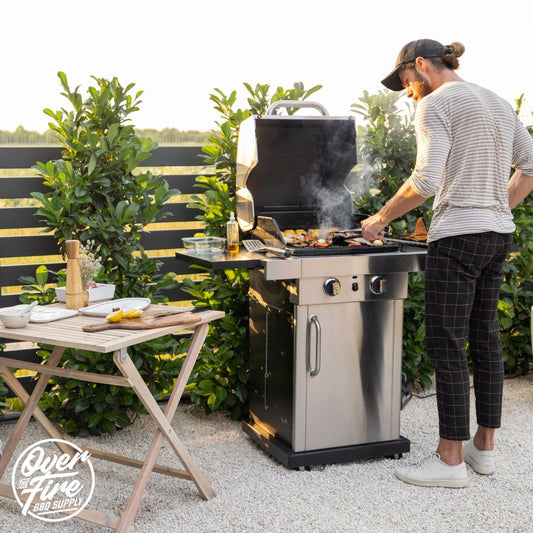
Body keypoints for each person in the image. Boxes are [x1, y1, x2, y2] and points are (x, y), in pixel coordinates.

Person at [361, 38, 533, 488]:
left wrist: (379, 219)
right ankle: (484, 448)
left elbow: (426, 180)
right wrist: (500, 207)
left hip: (457, 238)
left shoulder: (435, 104)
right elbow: (531, 164)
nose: (408, 93)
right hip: (498, 235)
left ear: (421, 66)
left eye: (406, 82)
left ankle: (450, 460)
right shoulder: (496, 101)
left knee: (447, 344)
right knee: (485, 340)